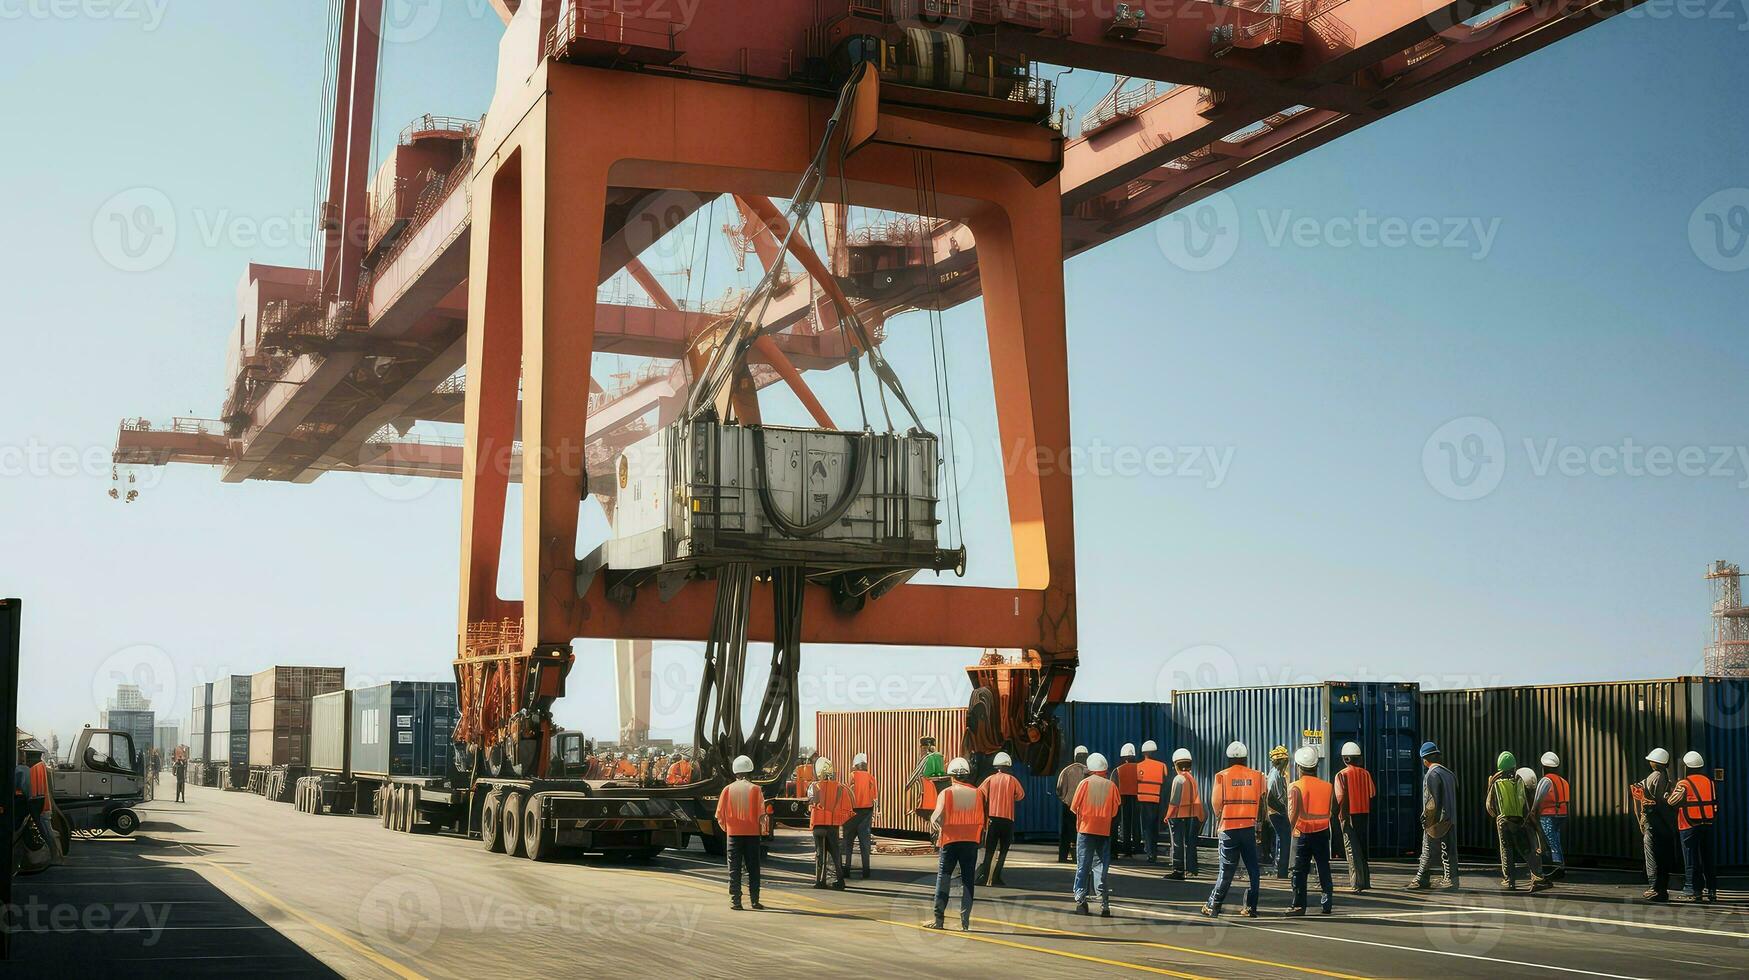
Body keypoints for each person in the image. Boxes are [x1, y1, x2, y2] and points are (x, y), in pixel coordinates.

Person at [1200, 741, 1264, 918]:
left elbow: (1215, 803)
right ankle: (1251, 907)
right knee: (1253, 870)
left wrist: (1221, 816)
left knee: (1226, 870)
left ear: (1228, 759)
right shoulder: (1257, 776)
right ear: (1246, 758)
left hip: (1228, 828)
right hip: (1248, 828)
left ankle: (1214, 905)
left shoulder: (1222, 776)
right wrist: (1259, 826)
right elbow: (1262, 801)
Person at [928, 757, 983, 931]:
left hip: (950, 842)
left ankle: (939, 920)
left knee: (943, 878)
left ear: (952, 776)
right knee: (968, 881)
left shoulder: (946, 793)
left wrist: (933, 821)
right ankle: (965, 923)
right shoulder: (978, 793)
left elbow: (936, 814)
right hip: (970, 842)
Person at [1485, 751, 1551, 892]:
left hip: (1503, 821)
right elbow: (1525, 802)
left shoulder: (1495, 782)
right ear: (1514, 766)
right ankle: (1538, 877)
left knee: (1506, 851)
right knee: (1526, 850)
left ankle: (1509, 881)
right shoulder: (1519, 779)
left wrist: (1497, 814)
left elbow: (1490, 806)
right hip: (1518, 820)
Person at [1285, 746, 1335, 915]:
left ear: (1299, 767)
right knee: (1323, 867)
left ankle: (1299, 905)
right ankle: (1327, 903)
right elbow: (1331, 810)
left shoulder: (1295, 786)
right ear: (1316, 767)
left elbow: (1293, 814)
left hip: (1303, 834)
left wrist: (1289, 833)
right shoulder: (1328, 787)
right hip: (1322, 833)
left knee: (1299, 871)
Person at [1071, 752, 1121, 917]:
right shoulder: (1112, 786)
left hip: (1085, 830)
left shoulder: (1084, 784)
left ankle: (1080, 900)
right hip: (1103, 832)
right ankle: (1104, 904)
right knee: (1100, 867)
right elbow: (1114, 811)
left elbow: (1074, 807)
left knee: (1083, 866)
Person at [1406, 741, 1461, 890]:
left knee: (1427, 850)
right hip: (1450, 818)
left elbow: (1434, 800)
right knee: (1449, 851)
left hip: (1437, 820)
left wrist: (1429, 820)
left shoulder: (1432, 774)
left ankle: (1421, 878)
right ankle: (1451, 879)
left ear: (1425, 759)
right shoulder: (1449, 774)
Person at [715, 755, 767, 911]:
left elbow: (719, 815)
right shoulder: (756, 790)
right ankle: (755, 901)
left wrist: (729, 828)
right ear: (749, 771)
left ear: (735, 772)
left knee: (734, 869)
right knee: (753, 868)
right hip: (752, 835)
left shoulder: (727, 790)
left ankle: (735, 901)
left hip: (733, 835)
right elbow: (762, 815)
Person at [1666, 750, 1717, 903]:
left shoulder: (1684, 783)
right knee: (1708, 858)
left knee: (1691, 858)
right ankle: (1712, 890)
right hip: (1708, 823)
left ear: (1687, 767)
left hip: (1688, 825)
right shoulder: (1710, 782)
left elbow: (1672, 802)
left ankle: (1692, 889)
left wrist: (1667, 796)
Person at [1631, 747, 1678, 902]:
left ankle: (1654, 888)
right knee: (1663, 856)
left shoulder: (1655, 776)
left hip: (1653, 822)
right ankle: (1662, 890)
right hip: (1665, 824)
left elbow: (1649, 800)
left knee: (1651, 855)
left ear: (1655, 763)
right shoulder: (1667, 776)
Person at [977, 751, 1026, 886]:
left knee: (989, 850)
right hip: (1008, 820)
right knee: (1003, 851)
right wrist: (1010, 798)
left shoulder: (990, 779)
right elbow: (1021, 795)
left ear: (995, 766)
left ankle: (984, 876)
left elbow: (980, 794)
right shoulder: (1012, 780)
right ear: (1008, 765)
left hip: (992, 819)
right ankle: (997, 877)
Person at [1333, 742, 1374, 893]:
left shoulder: (1341, 775)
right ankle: (1366, 881)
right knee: (1362, 849)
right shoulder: (1366, 774)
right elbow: (1372, 793)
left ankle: (1356, 883)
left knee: (1351, 849)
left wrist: (1337, 815)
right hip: (1364, 814)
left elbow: (1339, 797)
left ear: (1346, 758)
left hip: (1348, 815)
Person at [808, 757, 853, 890]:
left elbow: (811, 802)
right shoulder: (840, 787)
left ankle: (820, 881)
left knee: (819, 854)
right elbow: (846, 806)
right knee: (835, 853)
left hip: (818, 825)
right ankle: (840, 881)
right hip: (832, 825)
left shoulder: (814, 786)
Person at [1164, 747, 1203, 880]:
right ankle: (1191, 868)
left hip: (1178, 816)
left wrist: (1168, 815)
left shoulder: (1178, 779)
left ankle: (1178, 870)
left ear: (1176, 764)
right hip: (1191, 815)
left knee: (1177, 843)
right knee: (1190, 843)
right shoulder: (1192, 778)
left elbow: (1174, 801)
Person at [1533, 752, 1568, 880]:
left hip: (1548, 815)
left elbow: (1537, 798)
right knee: (1556, 841)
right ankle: (1560, 866)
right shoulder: (1562, 781)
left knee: (1550, 842)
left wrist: (1532, 812)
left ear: (1544, 767)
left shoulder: (1546, 780)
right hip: (1562, 815)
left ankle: (1556, 869)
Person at [843, 752, 878, 879]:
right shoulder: (871, 778)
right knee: (865, 844)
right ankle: (866, 870)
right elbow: (874, 797)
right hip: (866, 813)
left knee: (848, 843)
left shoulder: (851, 776)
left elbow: (847, 793)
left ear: (856, 766)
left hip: (851, 814)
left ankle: (846, 869)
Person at [1055, 745, 1091, 863]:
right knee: (1082, 831)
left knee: (1066, 832)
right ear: (1086, 757)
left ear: (1075, 756)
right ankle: (1080, 857)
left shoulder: (1066, 770)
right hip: (1084, 807)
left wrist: (1066, 799)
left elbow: (1059, 790)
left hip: (1068, 805)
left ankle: (1063, 857)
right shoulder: (1090, 772)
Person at [1135, 740, 1167, 864]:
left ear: (1144, 753)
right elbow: (1166, 783)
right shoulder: (1162, 766)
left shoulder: (1139, 767)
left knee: (1147, 828)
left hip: (1143, 801)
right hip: (1157, 800)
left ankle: (1150, 853)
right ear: (1155, 752)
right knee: (1154, 828)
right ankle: (1153, 851)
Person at [904, 735, 947, 821]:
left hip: (928, 796)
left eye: (923, 748)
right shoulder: (940, 757)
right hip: (940, 792)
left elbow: (915, 775)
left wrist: (907, 786)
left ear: (926, 748)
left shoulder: (926, 758)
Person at [1265, 745, 1292, 878]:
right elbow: (1269, 797)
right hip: (1277, 813)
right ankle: (1281, 871)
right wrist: (1282, 810)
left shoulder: (1278, 774)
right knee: (1283, 841)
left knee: (1280, 840)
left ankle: (1280, 869)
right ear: (1281, 761)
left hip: (1277, 812)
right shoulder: (1275, 775)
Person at [1114, 743, 1140, 858]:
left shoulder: (1118, 770)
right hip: (1137, 797)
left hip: (1123, 798)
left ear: (1123, 757)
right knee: (1136, 822)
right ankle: (1137, 846)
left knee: (1125, 823)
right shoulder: (1139, 768)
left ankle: (1126, 849)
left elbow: (1113, 784)